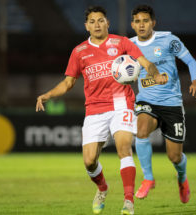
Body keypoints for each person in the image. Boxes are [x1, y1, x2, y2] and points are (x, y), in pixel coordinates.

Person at [36, 6, 166, 215]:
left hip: (121, 103)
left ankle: (128, 201)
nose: (97, 24)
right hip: (94, 109)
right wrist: (47, 95)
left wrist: (156, 73)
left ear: (108, 23)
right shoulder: (79, 52)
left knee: (124, 148)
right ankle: (102, 188)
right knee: (89, 161)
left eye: (100, 20)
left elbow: (145, 63)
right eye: (92, 21)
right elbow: (68, 83)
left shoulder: (121, 42)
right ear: (87, 26)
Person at [130, 5, 196, 203]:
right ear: (132, 24)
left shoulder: (169, 40)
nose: (142, 25)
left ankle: (182, 178)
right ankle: (148, 178)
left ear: (153, 23)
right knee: (141, 129)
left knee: (175, 157)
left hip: (171, 104)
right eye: (137, 21)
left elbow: (191, 61)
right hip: (147, 101)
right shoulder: (129, 46)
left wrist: (195, 81)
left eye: (145, 21)